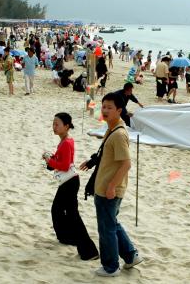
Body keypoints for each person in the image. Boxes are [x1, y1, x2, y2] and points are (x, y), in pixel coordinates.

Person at [79, 93, 143, 277]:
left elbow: (126, 164)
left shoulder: (119, 134)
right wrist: (92, 161)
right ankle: (130, 256)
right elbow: (107, 154)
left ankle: (111, 267)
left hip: (109, 189)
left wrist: (111, 186)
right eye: (103, 106)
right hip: (106, 185)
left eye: (109, 107)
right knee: (112, 223)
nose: (105, 110)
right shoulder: (112, 129)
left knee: (106, 228)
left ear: (119, 111)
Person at [43, 112, 99, 261]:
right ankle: (67, 238)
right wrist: (51, 158)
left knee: (72, 215)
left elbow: (64, 165)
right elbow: (61, 160)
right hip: (68, 181)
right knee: (58, 210)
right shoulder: (64, 141)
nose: (54, 127)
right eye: (53, 123)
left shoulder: (67, 142)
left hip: (70, 182)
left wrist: (51, 161)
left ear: (66, 126)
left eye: (57, 124)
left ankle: (89, 251)